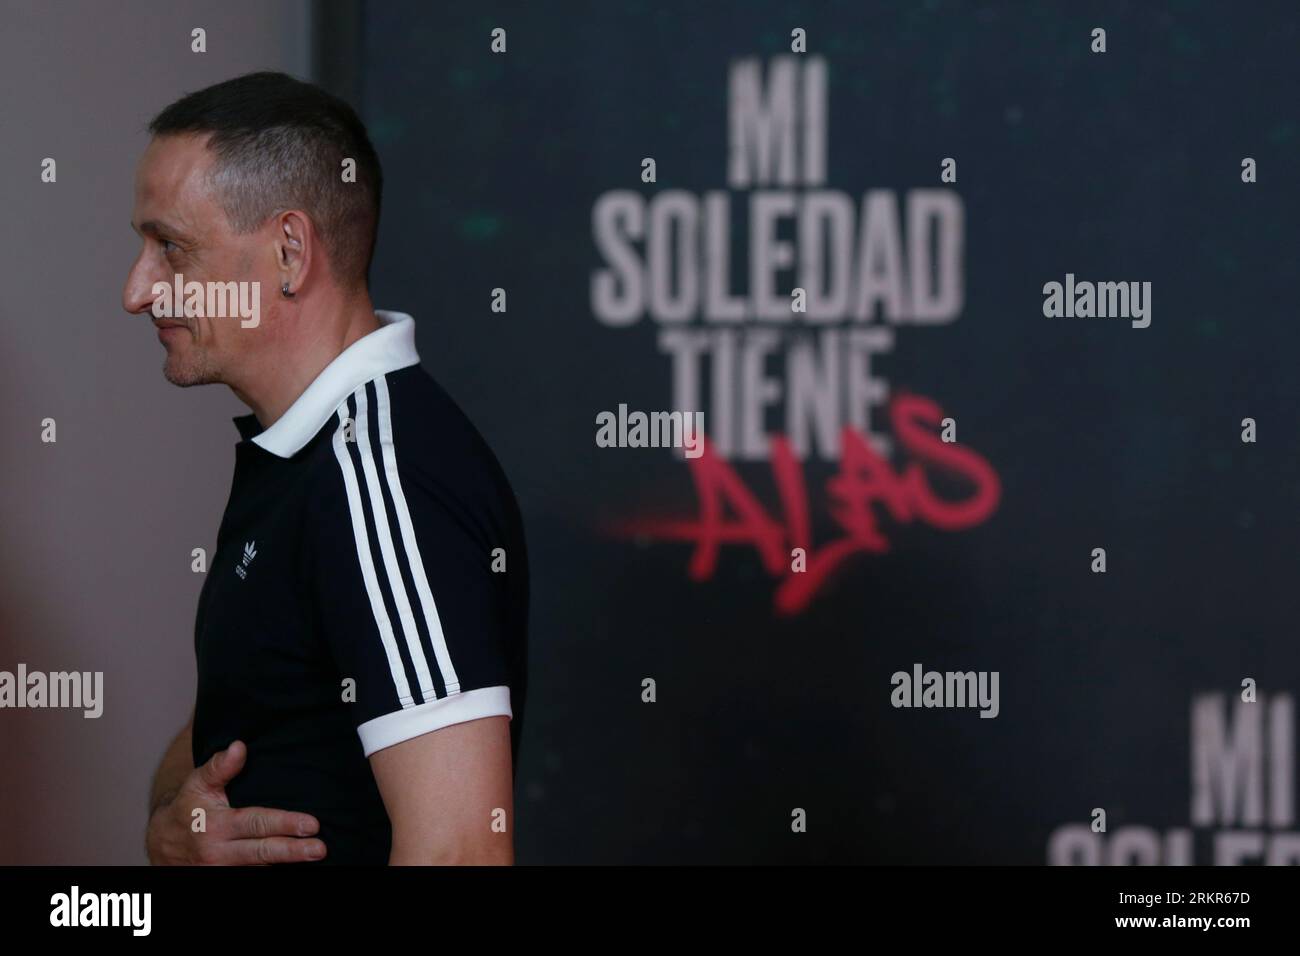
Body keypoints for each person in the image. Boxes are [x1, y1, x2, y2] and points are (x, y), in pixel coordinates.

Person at [124, 72, 529, 865]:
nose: (138, 290)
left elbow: (459, 852)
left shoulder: (382, 473)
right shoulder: (306, 457)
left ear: (288, 251)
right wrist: (178, 823)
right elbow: (263, 714)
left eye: (171, 248)